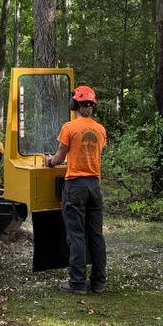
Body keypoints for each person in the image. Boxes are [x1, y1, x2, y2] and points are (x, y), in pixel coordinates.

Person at [45, 85, 107, 294]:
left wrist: (50, 162)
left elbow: (59, 157)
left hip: (76, 186)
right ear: (91, 106)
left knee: (77, 235)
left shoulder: (69, 127)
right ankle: (98, 282)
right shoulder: (100, 130)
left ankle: (78, 282)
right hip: (94, 186)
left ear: (75, 105)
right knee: (96, 235)